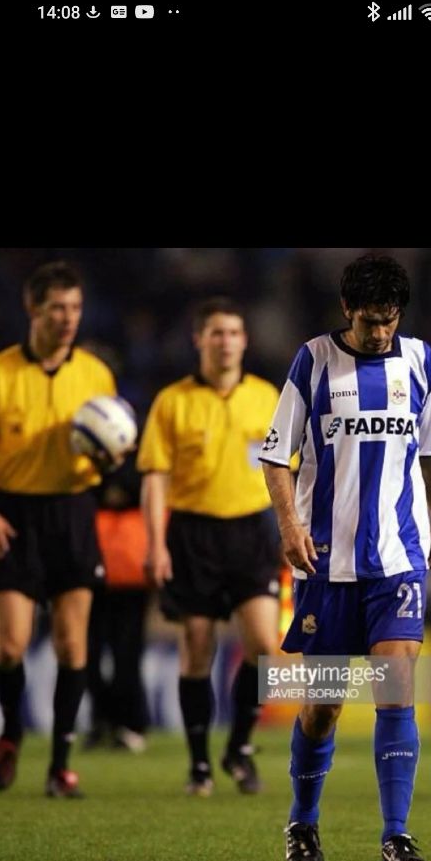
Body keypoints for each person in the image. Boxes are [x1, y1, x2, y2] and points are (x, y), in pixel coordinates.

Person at [259, 254, 431, 861]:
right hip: (326, 566)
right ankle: (303, 822)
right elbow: (274, 455)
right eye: (370, 321)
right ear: (347, 310)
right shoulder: (312, 361)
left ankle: (396, 833)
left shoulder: (421, 361)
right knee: (323, 706)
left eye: (389, 321)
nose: (379, 333)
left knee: (396, 691)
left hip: (396, 559)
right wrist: (290, 526)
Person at [0, 259, 128, 797]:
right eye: (57, 307)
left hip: (73, 511)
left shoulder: (95, 374)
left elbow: (112, 445)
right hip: (13, 514)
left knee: (71, 643)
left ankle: (61, 765)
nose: (68, 318)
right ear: (32, 308)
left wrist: (111, 457)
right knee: (10, 645)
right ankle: (12, 731)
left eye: (75, 308)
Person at [138, 296, 281, 795]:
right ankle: (199, 765)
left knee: (265, 647)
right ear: (198, 339)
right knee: (197, 647)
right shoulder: (172, 402)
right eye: (216, 333)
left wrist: (295, 529)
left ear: (245, 340)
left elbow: (292, 471)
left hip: (252, 531)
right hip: (193, 535)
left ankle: (239, 746)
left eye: (234, 332)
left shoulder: (268, 398)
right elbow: (154, 479)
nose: (226, 342)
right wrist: (155, 544)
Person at [83, 451, 151, 752]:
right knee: (89, 650)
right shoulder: (84, 454)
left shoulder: (137, 451)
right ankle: (103, 719)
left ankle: (129, 721)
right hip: (94, 557)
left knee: (127, 649)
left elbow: (149, 485)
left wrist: (119, 487)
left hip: (128, 561)